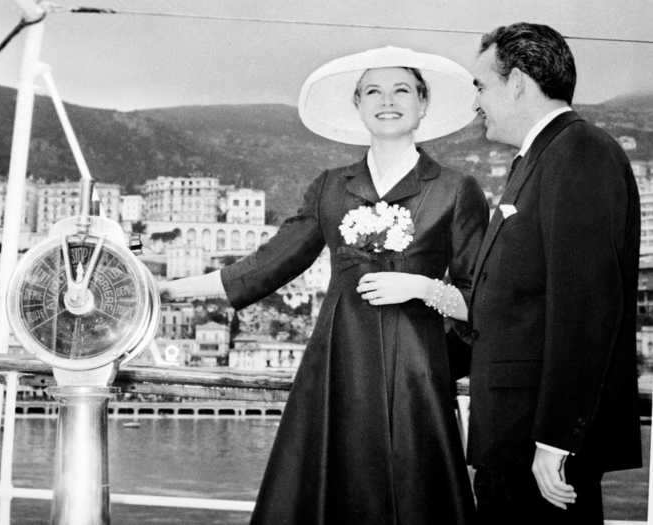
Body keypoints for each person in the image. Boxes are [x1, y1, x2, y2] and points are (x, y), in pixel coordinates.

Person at [162, 46, 488, 524]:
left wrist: (420, 287)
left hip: (417, 371)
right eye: (372, 90)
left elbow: (479, 300)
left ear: (423, 103)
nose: (387, 100)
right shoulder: (330, 186)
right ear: (357, 105)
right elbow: (266, 264)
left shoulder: (457, 189)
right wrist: (168, 290)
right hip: (339, 363)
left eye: (402, 89)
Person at [467, 22, 641, 525]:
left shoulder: (580, 153)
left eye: (481, 86)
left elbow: (586, 306)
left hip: (540, 453)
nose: (475, 103)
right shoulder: (536, 161)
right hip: (511, 441)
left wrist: (556, 440)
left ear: (518, 82)